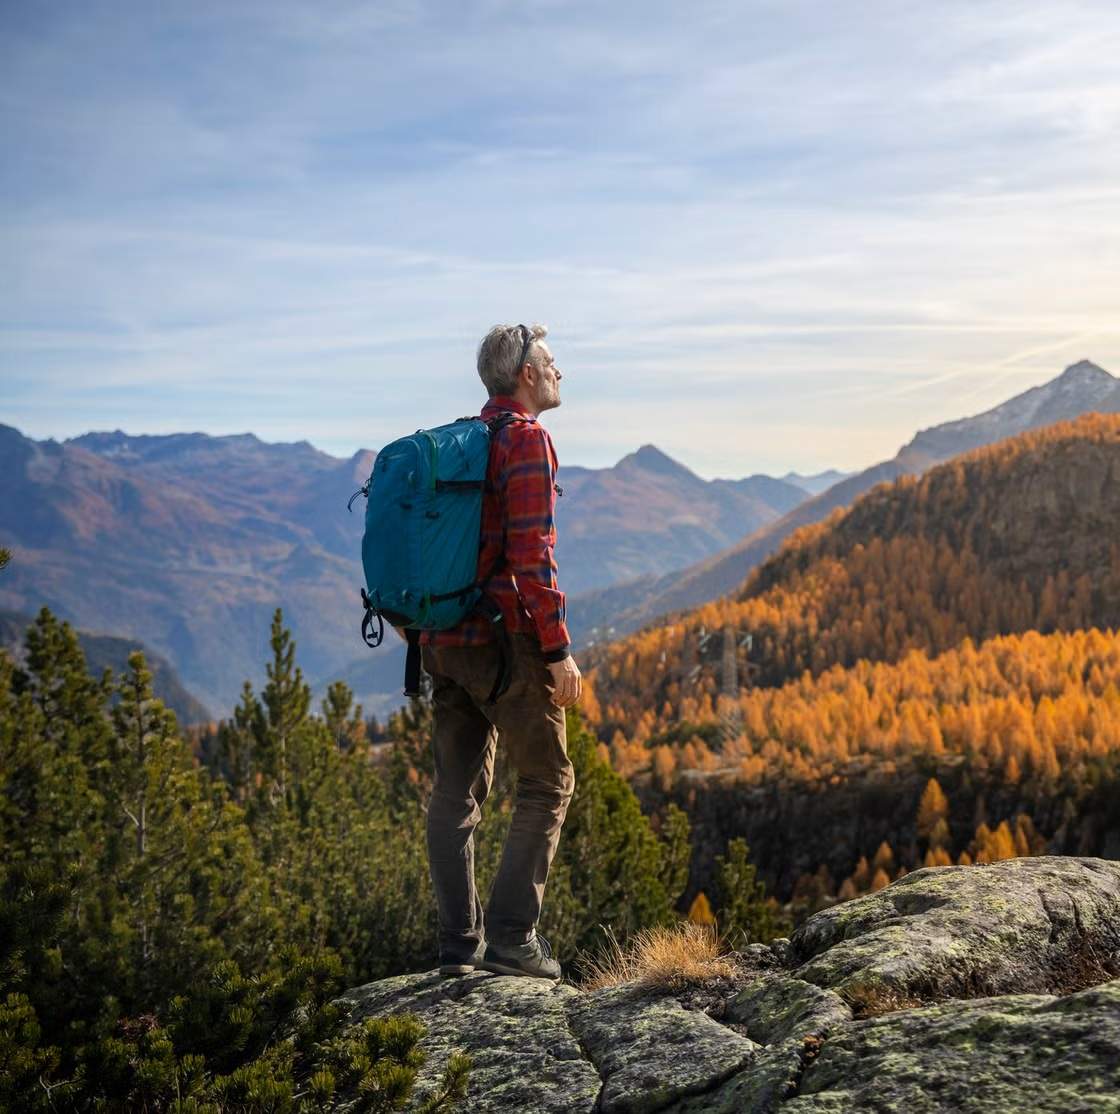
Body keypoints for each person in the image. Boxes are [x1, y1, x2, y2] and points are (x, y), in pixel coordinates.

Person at [418, 322, 582, 982]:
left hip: (443, 639)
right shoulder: (526, 441)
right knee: (547, 782)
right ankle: (514, 938)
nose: (558, 371)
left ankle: (459, 946)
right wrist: (557, 651)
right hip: (504, 643)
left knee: (455, 793)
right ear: (524, 375)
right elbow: (532, 559)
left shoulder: (462, 441)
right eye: (550, 361)